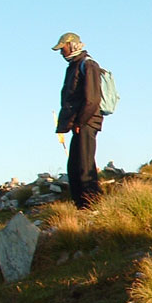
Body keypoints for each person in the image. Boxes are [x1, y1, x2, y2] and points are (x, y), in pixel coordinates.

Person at [52, 32, 103, 209]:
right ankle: (81, 206)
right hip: (80, 124)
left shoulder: (88, 65)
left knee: (84, 166)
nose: (61, 53)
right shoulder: (75, 66)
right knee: (75, 166)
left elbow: (92, 100)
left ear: (72, 45)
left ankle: (92, 206)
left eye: (62, 48)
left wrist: (80, 123)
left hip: (87, 123)